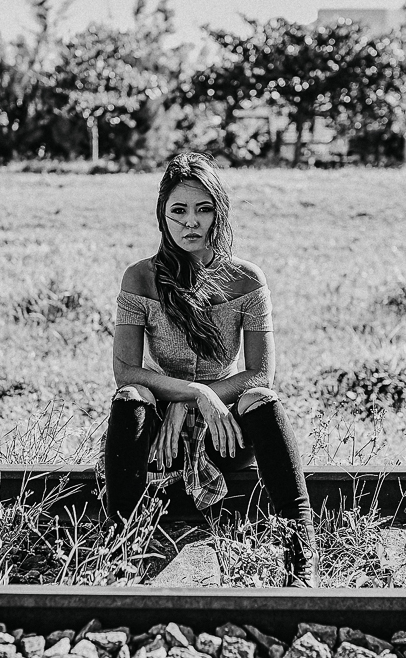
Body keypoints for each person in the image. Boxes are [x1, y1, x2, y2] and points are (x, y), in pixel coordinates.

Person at [102, 151, 318, 587]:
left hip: (224, 433)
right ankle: (120, 549)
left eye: (203, 209)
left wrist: (209, 400)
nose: (191, 222)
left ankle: (302, 557)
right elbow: (126, 371)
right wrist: (192, 395)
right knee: (130, 399)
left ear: (218, 212)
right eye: (178, 210)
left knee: (263, 399)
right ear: (163, 215)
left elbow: (259, 375)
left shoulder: (247, 280)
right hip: (161, 437)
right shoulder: (140, 278)